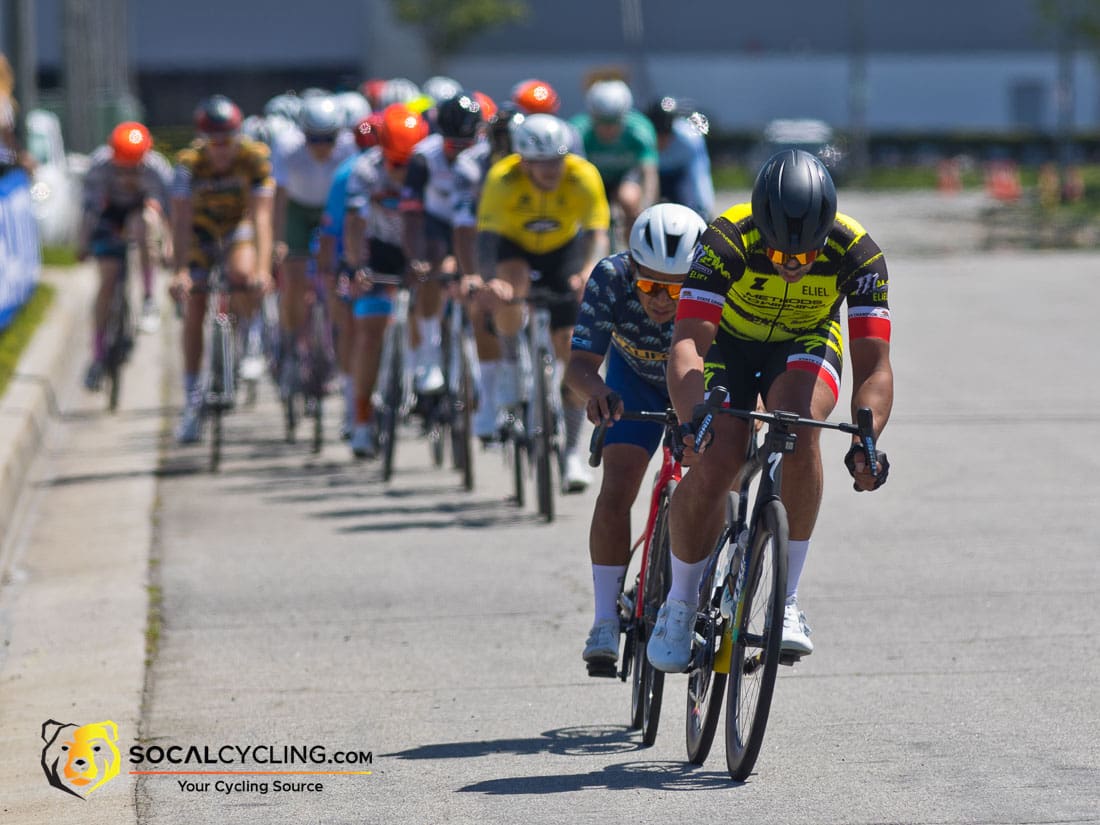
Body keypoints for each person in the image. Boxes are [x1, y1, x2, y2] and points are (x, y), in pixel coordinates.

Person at [646, 149, 893, 673]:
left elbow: (874, 366)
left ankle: (784, 603)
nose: (790, 267)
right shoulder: (726, 240)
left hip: (804, 343)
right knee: (719, 458)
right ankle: (681, 603)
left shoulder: (860, 254)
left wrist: (864, 440)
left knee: (799, 433)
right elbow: (688, 343)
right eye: (780, 255)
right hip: (726, 345)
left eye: (804, 258)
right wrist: (695, 419)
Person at [565, 203, 706, 669]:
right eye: (648, 285)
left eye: (674, 288)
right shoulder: (610, 277)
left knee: (712, 484)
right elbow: (579, 366)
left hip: (692, 382)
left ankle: (698, 592)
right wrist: (599, 392)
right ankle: (605, 618)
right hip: (631, 382)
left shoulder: (713, 283)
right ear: (632, 269)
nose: (661, 300)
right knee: (617, 487)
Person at [476, 113, 610, 491]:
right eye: (542, 163)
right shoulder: (502, 178)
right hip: (515, 248)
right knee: (511, 284)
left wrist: (587, 271)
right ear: (523, 161)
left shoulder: (583, 175)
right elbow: (486, 239)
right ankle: (508, 365)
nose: (552, 170)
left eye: (557, 160)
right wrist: (491, 281)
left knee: (571, 349)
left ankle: (570, 452)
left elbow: (598, 233)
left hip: (563, 252)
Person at [169, 95, 275, 444]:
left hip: (237, 227)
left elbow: (262, 216)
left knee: (243, 276)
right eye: (214, 143)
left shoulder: (254, 158)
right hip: (200, 233)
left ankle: (252, 337)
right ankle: (191, 400)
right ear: (203, 140)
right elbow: (180, 220)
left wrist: (262, 268)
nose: (221, 150)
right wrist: (181, 270)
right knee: (195, 306)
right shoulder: (188, 164)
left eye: (227, 141)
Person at [343, 104, 429, 458]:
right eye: (395, 164)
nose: (401, 173)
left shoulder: (429, 166)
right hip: (377, 249)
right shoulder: (365, 170)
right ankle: (361, 421)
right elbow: (354, 223)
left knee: (428, 309)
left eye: (407, 165)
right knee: (369, 332)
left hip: (420, 246)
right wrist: (357, 266)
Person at [271, 94, 357, 399]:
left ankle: (331, 349)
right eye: (314, 139)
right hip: (297, 209)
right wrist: (278, 240)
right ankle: (292, 342)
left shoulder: (348, 147)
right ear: (302, 134)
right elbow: (278, 198)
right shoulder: (286, 147)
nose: (322, 146)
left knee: (334, 280)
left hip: (331, 212)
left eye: (328, 138)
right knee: (294, 279)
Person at [78, 121, 173, 389]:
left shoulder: (157, 168)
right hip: (109, 217)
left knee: (145, 223)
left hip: (141, 215)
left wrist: (170, 245)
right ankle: (97, 354)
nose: (129, 174)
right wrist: (83, 244)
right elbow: (89, 210)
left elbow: (169, 211)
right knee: (106, 283)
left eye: (135, 168)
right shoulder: (99, 166)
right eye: (123, 168)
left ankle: (148, 297)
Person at [399, 91, 482, 395]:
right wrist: (415, 256)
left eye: (466, 146)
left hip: (474, 223)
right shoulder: (423, 157)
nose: (459, 153)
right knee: (432, 268)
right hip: (435, 224)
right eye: (452, 145)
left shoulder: (486, 155)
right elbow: (410, 215)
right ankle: (429, 355)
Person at [570, 79, 658, 240]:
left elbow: (649, 173)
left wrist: (647, 212)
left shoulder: (640, 130)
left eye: (614, 122)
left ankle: (633, 248)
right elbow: (571, 175)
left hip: (624, 177)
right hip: (592, 178)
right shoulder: (577, 131)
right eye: (602, 122)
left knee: (629, 198)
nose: (608, 129)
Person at [645, 96, 715, 221]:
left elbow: (699, 178)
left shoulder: (689, 140)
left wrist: (703, 211)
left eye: (666, 134)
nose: (662, 141)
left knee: (694, 210)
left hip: (680, 176)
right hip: (654, 174)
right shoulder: (642, 138)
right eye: (657, 135)